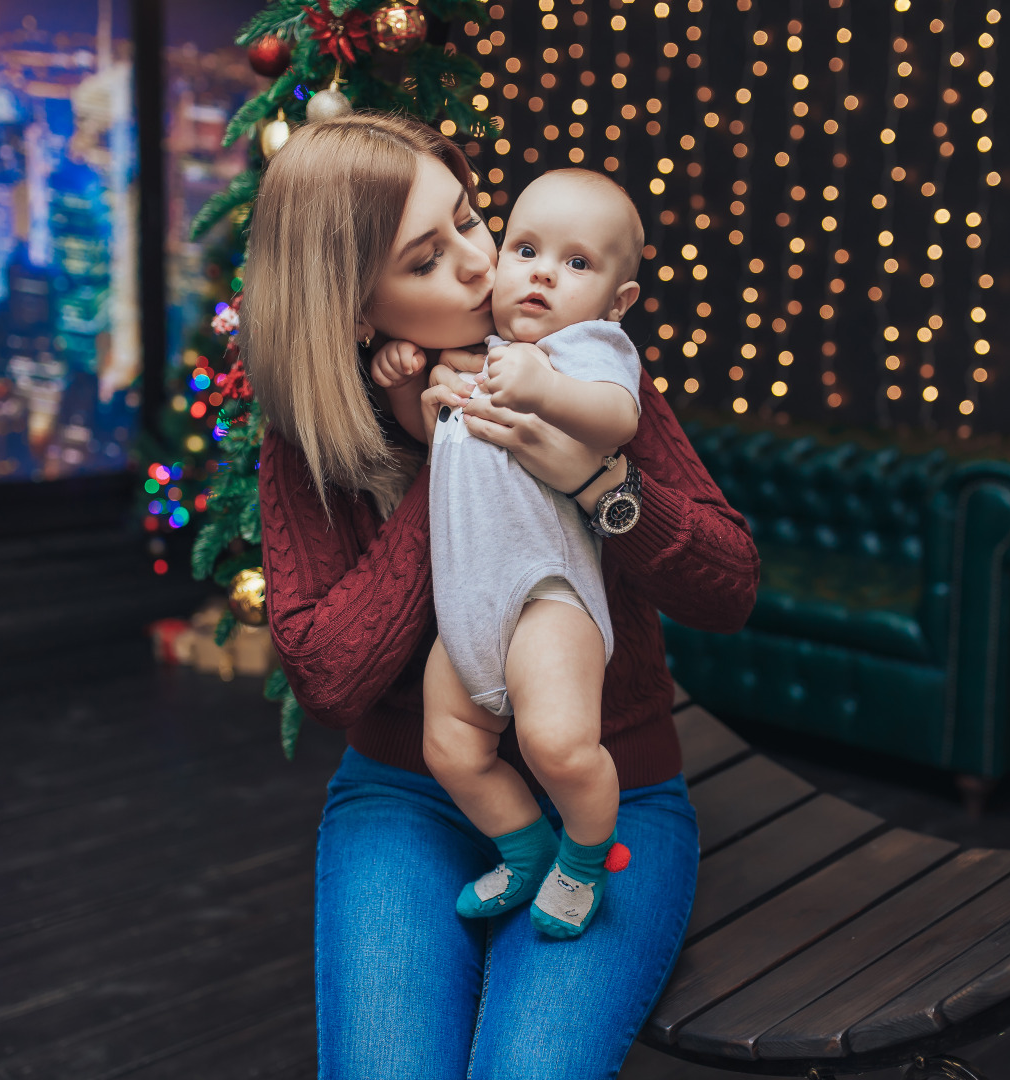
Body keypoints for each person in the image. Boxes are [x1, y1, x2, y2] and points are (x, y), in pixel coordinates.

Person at [242, 112, 758, 1078]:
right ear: (357, 310)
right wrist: (457, 459)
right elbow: (328, 676)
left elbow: (729, 587)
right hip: (408, 795)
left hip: (614, 793)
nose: (485, 265)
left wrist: (596, 484)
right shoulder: (312, 433)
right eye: (428, 260)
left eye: (473, 220)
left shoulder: (573, 363)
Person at [368, 168, 647, 938]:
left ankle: (584, 862)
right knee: (451, 748)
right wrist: (407, 396)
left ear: (616, 302)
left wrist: (543, 388)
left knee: (558, 741)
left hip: (547, 597)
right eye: (525, 249)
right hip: (469, 607)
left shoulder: (586, 352)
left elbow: (617, 420)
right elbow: (454, 449)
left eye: (578, 264)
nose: (543, 274)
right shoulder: (483, 353)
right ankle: (524, 848)